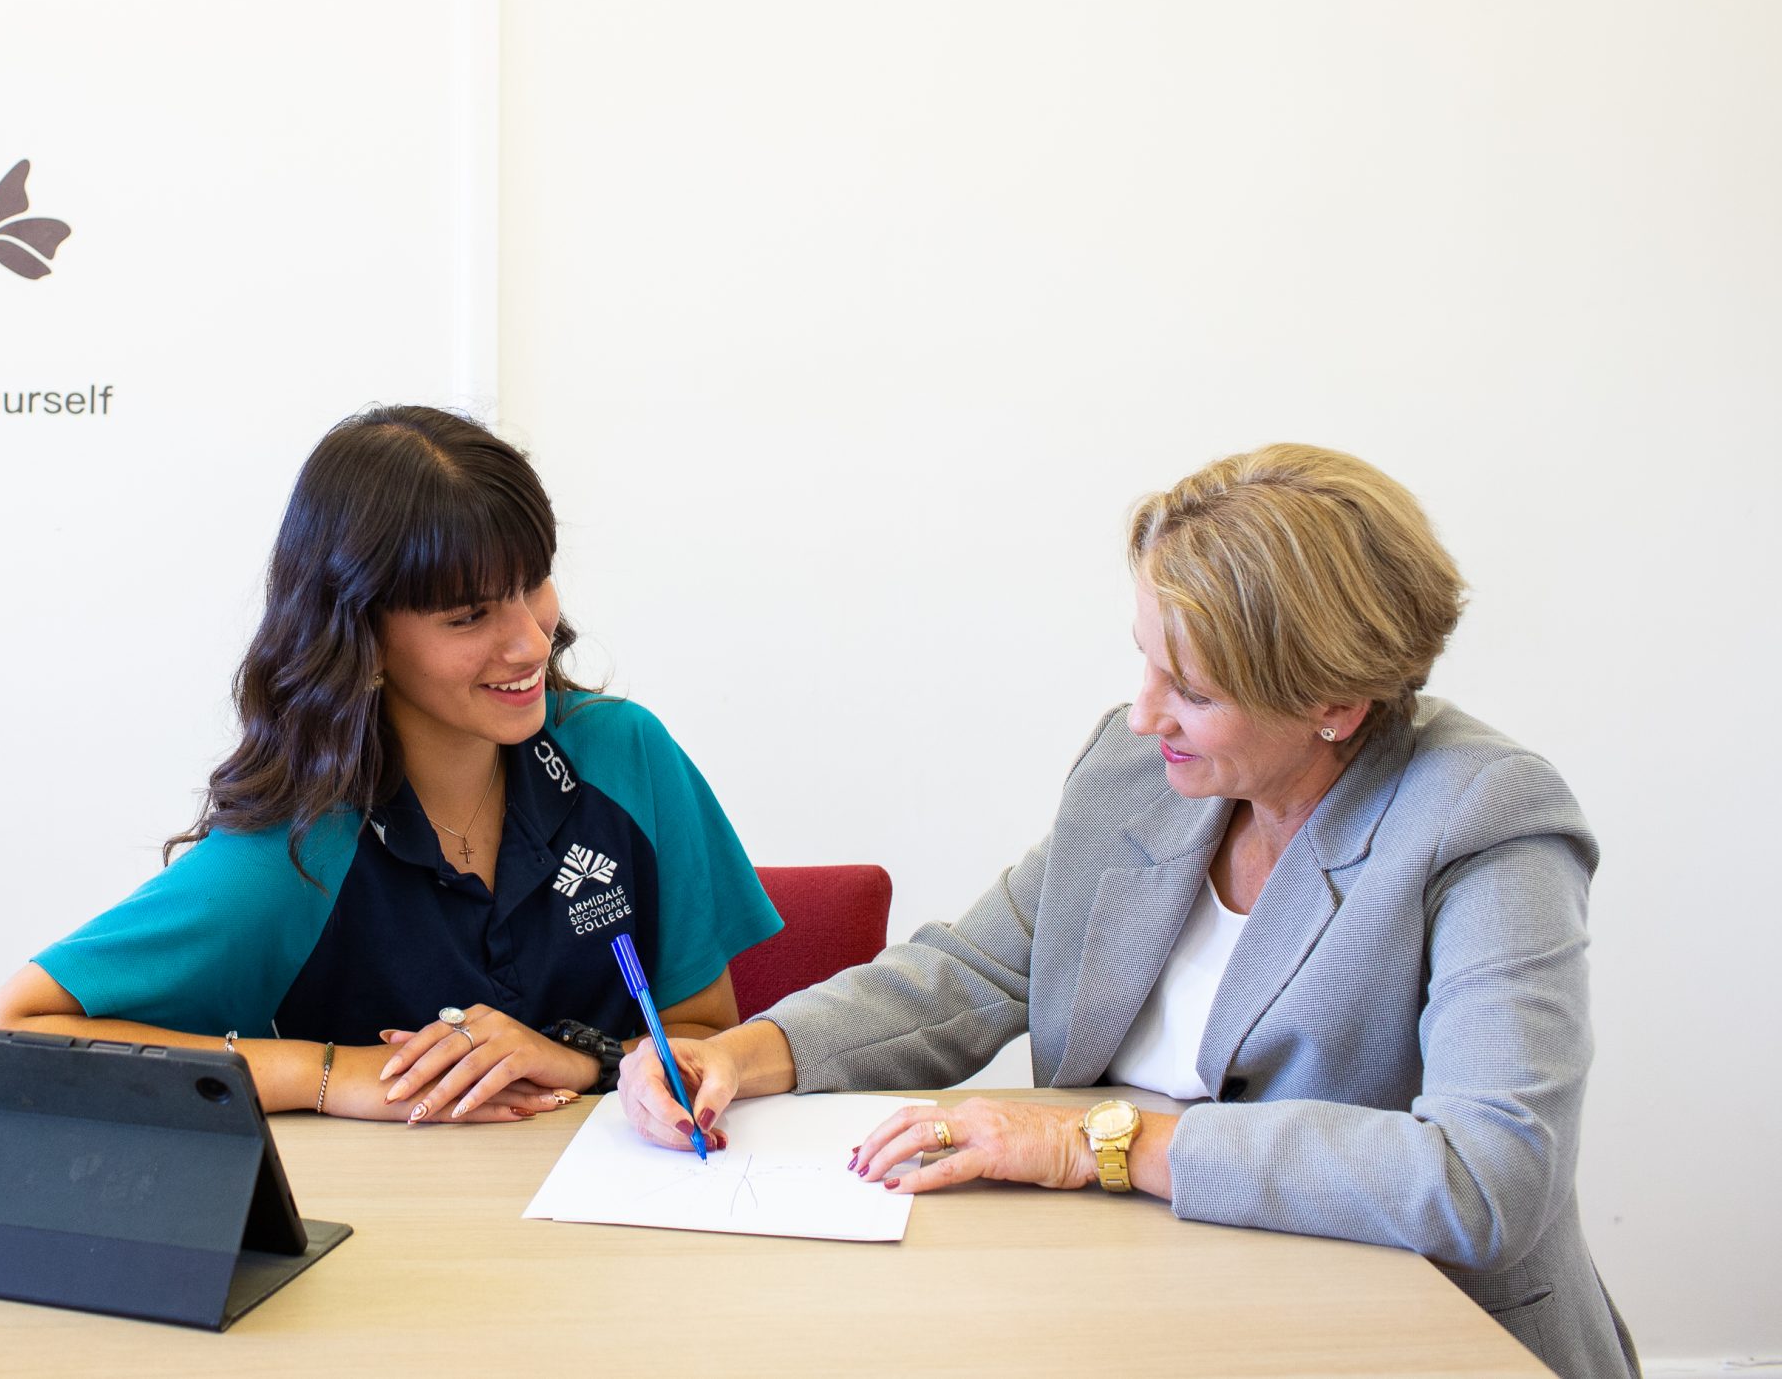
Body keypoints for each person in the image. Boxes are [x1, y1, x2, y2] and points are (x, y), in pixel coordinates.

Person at [618, 444, 1637, 1379]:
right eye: (1146, 659)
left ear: (1334, 701)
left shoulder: (1483, 818)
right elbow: (976, 969)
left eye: (1190, 687)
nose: (1145, 711)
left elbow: (1487, 1175)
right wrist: (744, 1055)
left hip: (1399, 1332)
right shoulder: (1136, 765)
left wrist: (1100, 1144)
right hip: (1140, 1302)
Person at [0, 404, 781, 1125]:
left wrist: (575, 1059)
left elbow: (705, 1026)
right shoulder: (299, 850)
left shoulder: (627, 752)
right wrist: (336, 1074)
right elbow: (13, 1034)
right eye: (469, 616)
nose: (532, 642)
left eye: (532, 584)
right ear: (359, 641)